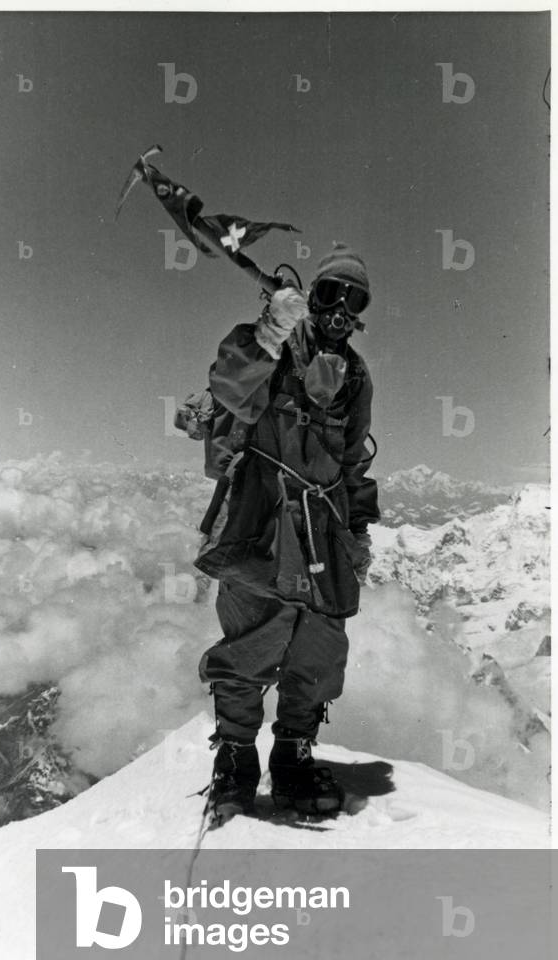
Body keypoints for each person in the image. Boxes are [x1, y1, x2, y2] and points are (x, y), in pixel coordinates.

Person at [192, 243, 380, 824]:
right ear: (313, 295)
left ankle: (294, 754)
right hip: (261, 520)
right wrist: (272, 330)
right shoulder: (272, 346)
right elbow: (227, 385)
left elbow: (353, 463)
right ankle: (237, 759)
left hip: (323, 530)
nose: (339, 309)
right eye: (330, 294)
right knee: (250, 641)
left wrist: (359, 530)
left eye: (355, 299)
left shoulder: (354, 377)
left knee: (319, 648)